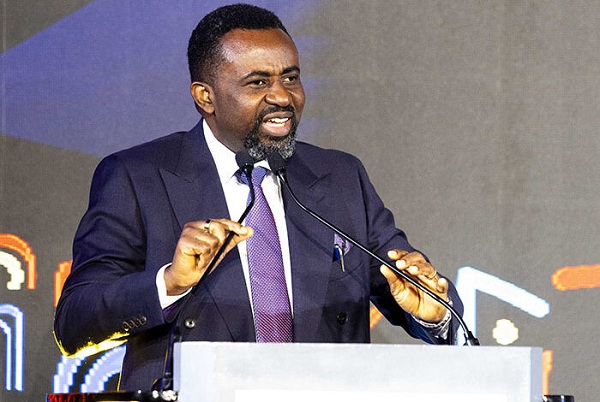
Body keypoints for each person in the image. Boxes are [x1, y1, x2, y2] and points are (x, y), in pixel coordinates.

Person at [54, 3, 464, 391]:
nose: (283, 97)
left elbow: (411, 285)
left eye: (291, 78)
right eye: (258, 83)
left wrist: (432, 311)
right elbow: (74, 324)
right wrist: (170, 283)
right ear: (205, 96)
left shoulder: (340, 177)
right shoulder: (137, 176)